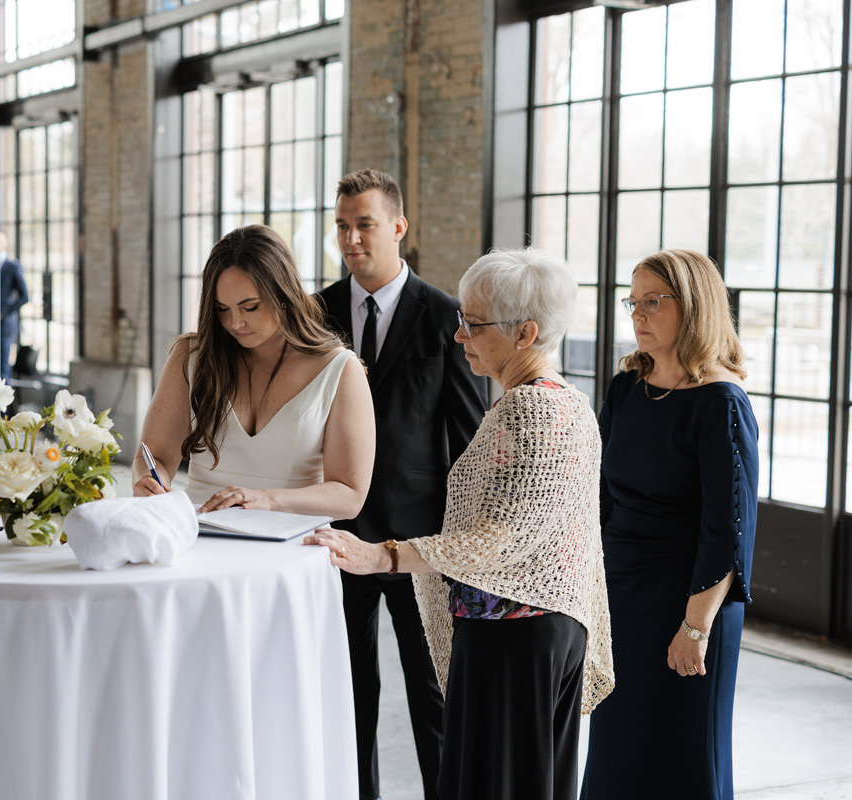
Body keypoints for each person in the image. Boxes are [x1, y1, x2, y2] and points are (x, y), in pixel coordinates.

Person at [308, 248, 614, 800]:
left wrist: (381, 555)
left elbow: (497, 540)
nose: (458, 335)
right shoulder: (570, 402)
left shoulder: (529, 410)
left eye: (473, 324)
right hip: (544, 631)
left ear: (525, 333)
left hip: (514, 637)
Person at [315, 168, 487, 800]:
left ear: (397, 227)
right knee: (348, 692)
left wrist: (462, 547)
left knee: (432, 693)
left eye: (364, 225)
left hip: (419, 543)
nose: (351, 239)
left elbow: (468, 442)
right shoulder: (316, 314)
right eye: (342, 226)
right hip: (336, 537)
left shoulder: (445, 317)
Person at [580, 250, 758, 800]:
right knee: (618, 752)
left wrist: (695, 626)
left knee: (685, 757)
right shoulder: (626, 388)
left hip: (690, 604)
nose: (637, 313)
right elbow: (599, 497)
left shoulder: (721, 402)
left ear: (694, 306)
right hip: (621, 595)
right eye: (633, 301)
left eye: (653, 301)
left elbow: (727, 529)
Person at [132, 224, 374, 521]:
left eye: (250, 307)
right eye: (222, 309)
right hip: (199, 535)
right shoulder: (191, 358)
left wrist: (264, 499)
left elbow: (350, 495)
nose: (235, 323)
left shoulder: (340, 369)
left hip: (292, 542)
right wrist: (148, 481)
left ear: (283, 294)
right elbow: (153, 455)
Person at [0, 231, 29, 380]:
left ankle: (5, 396)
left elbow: (25, 296)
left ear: (5, 244)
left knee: (3, 368)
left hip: (5, 324)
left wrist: (4, 312)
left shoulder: (12, 266)